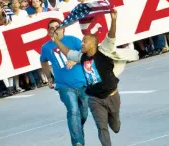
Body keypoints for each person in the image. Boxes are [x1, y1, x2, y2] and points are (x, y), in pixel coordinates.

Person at [52, 10, 137, 146]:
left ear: (93, 43)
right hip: (95, 99)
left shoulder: (104, 50)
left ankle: (115, 117)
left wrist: (113, 20)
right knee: (102, 127)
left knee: (115, 127)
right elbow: (68, 53)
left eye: (84, 42)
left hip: (112, 95)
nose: (81, 44)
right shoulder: (82, 57)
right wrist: (56, 40)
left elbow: (111, 36)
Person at [40, 20, 88, 146]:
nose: (55, 30)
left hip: (82, 83)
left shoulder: (73, 40)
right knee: (73, 111)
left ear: (63, 29)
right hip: (64, 86)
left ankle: (76, 129)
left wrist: (75, 60)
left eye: (57, 27)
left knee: (83, 113)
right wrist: (49, 77)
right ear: (49, 31)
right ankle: (78, 142)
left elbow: (86, 53)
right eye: (52, 28)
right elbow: (43, 61)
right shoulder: (46, 47)